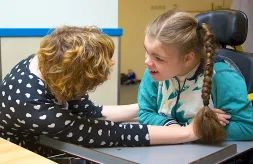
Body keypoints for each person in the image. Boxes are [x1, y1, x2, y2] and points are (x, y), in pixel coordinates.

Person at [0, 26, 199, 158]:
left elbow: (91, 112)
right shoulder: (36, 108)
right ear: (75, 79)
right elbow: (111, 133)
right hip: (20, 154)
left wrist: (150, 107)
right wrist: (188, 132)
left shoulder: (47, 60)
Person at [138, 10, 253, 141]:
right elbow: (145, 113)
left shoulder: (222, 77)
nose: (147, 62)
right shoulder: (154, 73)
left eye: (159, 58)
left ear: (187, 58)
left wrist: (202, 127)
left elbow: (248, 127)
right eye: (147, 52)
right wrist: (180, 130)